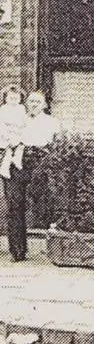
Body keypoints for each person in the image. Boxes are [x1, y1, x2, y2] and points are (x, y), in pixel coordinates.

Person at [19, 91, 62, 243]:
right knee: (17, 203)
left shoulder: (52, 122)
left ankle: (50, 241)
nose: (34, 104)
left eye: (38, 102)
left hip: (42, 160)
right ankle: (19, 248)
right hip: (20, 160)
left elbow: (57, 144)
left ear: (44, 105)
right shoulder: (20, 120)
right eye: (31, 101)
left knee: (45, 199)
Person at [0, 87, 28, 260]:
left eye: (16, 97)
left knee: (14, 203)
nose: (13, 99)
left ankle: (17, 249)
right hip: (3, 148)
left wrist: (16, 140)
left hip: (16, 154)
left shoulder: (23, 113)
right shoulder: (2, 112)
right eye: (10, 97)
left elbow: (25, 130)